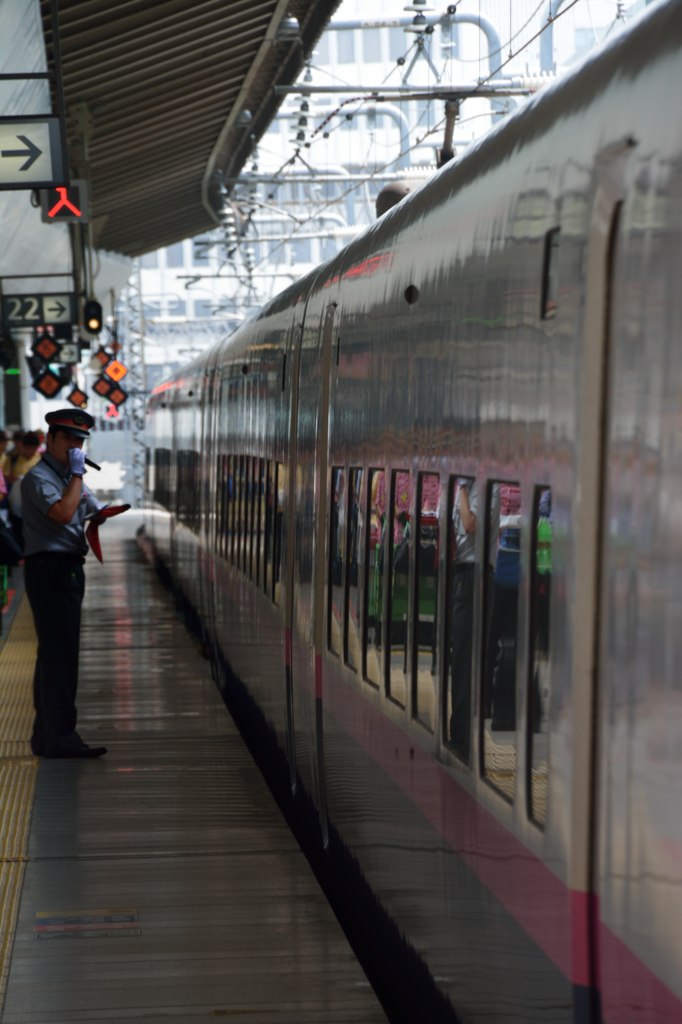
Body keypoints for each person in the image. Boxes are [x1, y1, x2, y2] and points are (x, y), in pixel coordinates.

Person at [21, 409, 108, 759]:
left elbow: (85, 506)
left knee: (55, 656)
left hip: (65, 569)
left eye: (80, 440)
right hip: (52, 571)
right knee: (60, 657)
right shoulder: (40, 478)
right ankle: (60, 739)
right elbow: (63, 513)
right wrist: (76, 475)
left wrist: (100, 509)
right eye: (69, 438)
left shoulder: (67, 477)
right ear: (50, 439)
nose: (76, 446)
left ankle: (47, 736)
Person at [447, 477, 477, 761]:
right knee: (459, 658)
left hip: (474, 575)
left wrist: (465, 490)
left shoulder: (483, 489)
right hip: (460, 573)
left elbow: (469, 524)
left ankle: (463, 738)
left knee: (466, 659)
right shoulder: (465, 489)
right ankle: (457, 731)